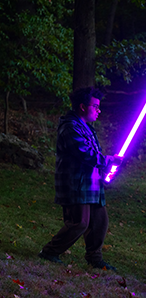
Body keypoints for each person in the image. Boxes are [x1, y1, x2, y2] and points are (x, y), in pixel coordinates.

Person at [38, 87, 122, 271]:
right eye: (95, 106)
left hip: (91, 184)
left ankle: (95, 257)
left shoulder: (87, 128)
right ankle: (50, 251)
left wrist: (107, 168)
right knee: (79, 223)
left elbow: (93, 156)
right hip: (75, 184)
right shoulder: (70, 127)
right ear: (83, 107)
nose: (98, 110)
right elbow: (85, 154)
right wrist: (108, 160)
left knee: (100, 221)